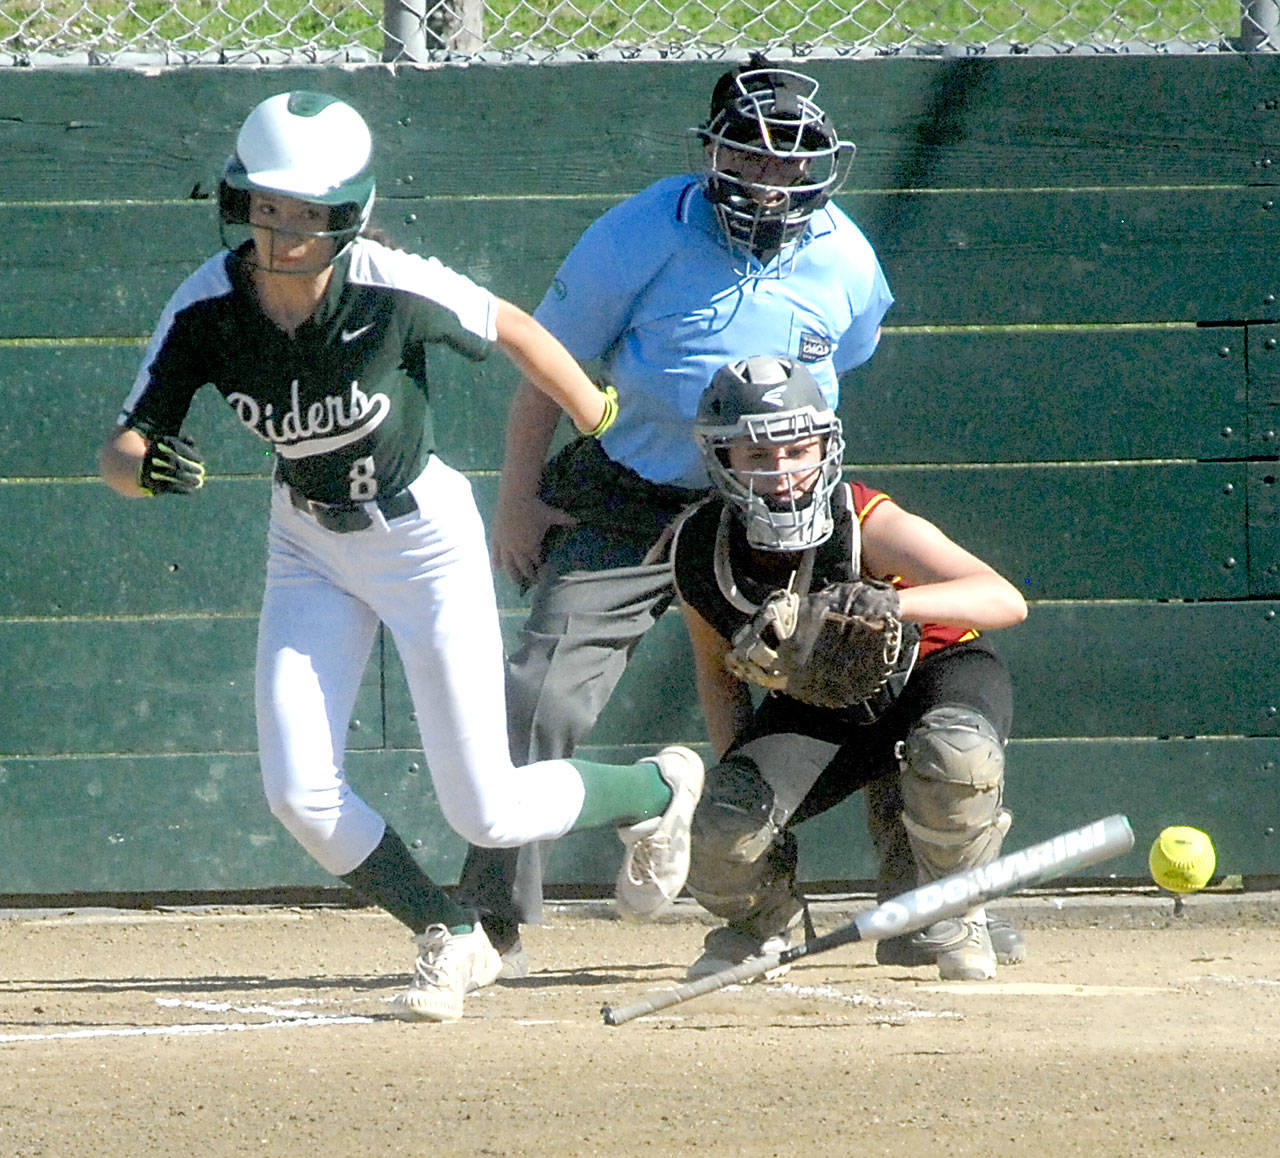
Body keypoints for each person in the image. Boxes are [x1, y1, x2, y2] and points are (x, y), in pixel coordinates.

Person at [97, 90, 705, 1024]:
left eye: (309, 214)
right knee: (298, 793)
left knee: (485, 809)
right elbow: (123, 445)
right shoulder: (208, 303)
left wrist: (595, 411)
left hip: (422, 540)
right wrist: (139, 469)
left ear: (350, 216)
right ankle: (450, 931)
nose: (283, 234)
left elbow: (511, 326)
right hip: (307, 542)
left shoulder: (389, 284)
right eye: (267, 207)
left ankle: (655, 789)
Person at [459, 55, 898, 974]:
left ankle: (920, 903)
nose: (771, 178)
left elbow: (839, 374)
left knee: (862, 667)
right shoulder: (642, 232)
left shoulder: (847, 257)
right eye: (751, 155)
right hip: (632, 492)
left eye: (791, 158)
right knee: (541, 691)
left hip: (775, 508)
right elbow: (547, 365)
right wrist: (516, 497)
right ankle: (493, 915)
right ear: (712, 155)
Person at [671, 355, 1028, 981]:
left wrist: (891, 602)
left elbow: (1004, 599)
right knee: (722, 825)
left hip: (933, 670)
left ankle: (954, 907)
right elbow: (718, 676)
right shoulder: (703, 549)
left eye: (797, 451)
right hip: (821, 706)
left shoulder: (861, 518)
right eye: (757, 456)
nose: (782, 472)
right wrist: (747, 807)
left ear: (825, 446)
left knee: (956, 755)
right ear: (722, 459)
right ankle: (766, 922)